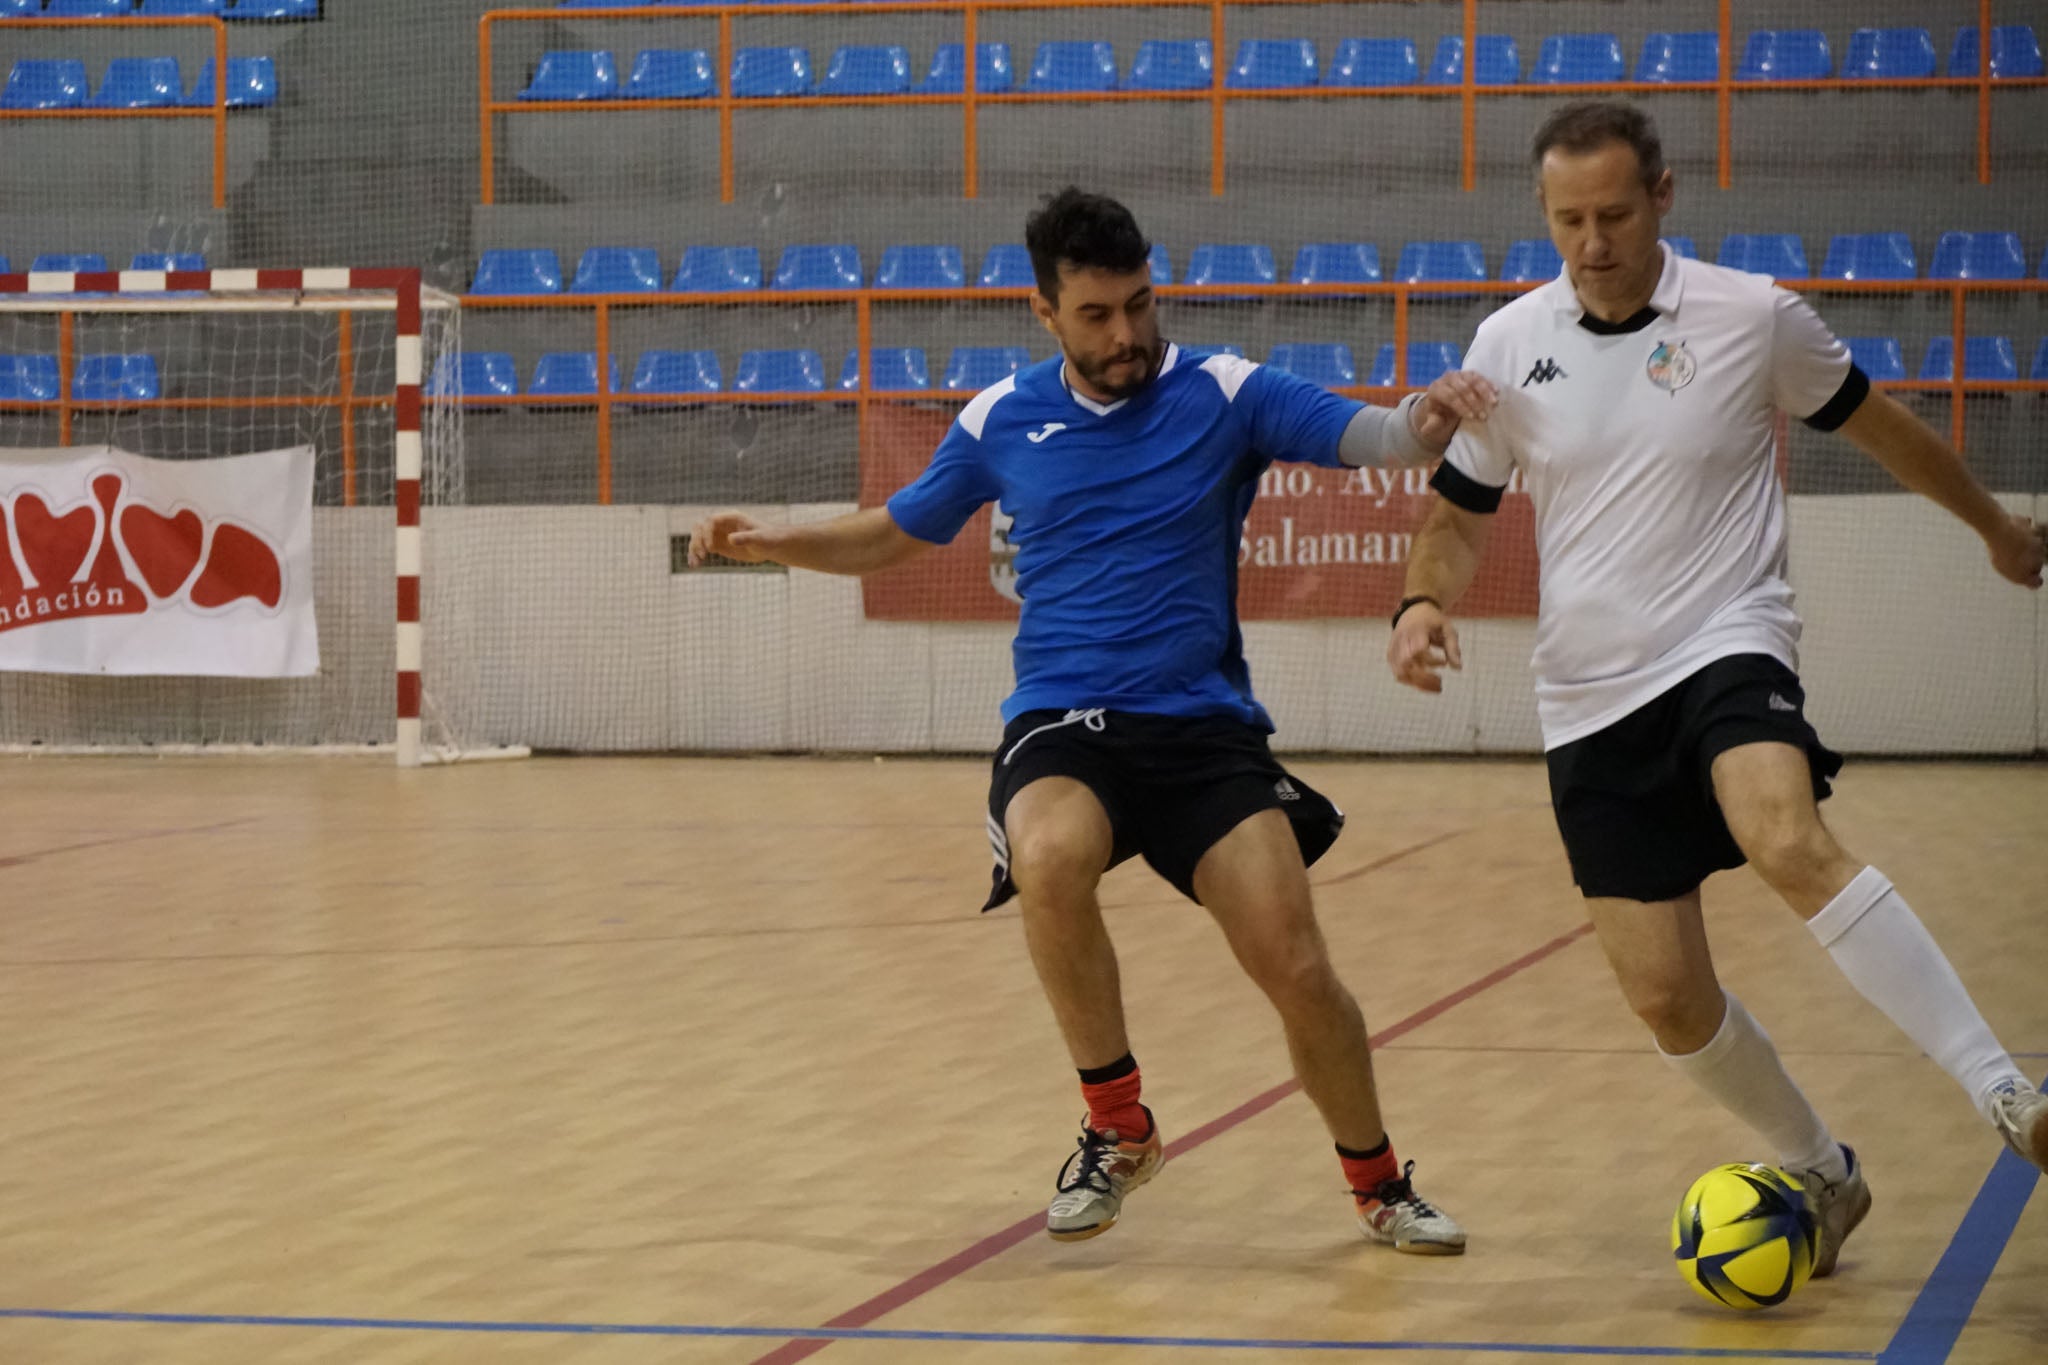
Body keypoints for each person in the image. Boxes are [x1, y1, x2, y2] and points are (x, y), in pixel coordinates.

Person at [693, 187, 1496, 1252]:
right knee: (1049, 857)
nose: (1125, 335)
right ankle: (1118, 1130)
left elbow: (1379, 437)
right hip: (1063, 721)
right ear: (1043, 312)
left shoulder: (1222, 389)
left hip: (1202, 731)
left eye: (1138, 305)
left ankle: (1379, 1184)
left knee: (1296, 967)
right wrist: (769, 540)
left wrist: (1422, 420)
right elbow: (894, 535)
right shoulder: (998, 419)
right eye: (1096, 315)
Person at [1387, 100, 2048, 1277]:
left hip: (1725, 639)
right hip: (1585, 695)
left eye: (1612, 213)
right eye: (1566, 221)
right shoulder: (1504, 348)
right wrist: (1420, 602)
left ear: (1663, 197)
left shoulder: (1753, 318)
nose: (1590, 242)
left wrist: (1994, 528)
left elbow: (1884, 432)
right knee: (1664, 998)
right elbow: (1454, 519)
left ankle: (2003, 1091)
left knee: (1783, 836)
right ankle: (1821, 1171)